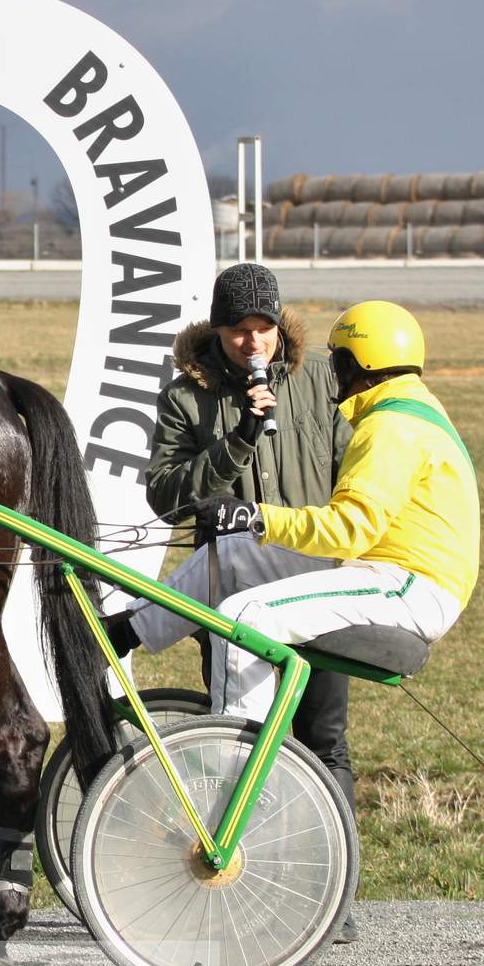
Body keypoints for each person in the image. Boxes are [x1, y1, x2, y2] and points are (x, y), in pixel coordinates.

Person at [113, 300, 479, 940]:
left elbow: (348, 524)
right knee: (231, 554)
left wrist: (258, 515)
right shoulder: (404, 410)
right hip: (378, 570)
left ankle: (235, 806)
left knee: (243, 612)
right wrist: (247, 527)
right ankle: (125, 635)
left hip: (404, 586)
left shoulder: (387, 428)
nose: (331, 374)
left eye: (338, 362)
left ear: (352, 363)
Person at [142, 262, 356, 901]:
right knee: (247, 739)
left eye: (264, 327)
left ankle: (326, 890)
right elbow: (164, 497)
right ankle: (249, 878)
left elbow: (354, 465)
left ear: (279, 327)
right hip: (231, 602)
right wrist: (234, 443)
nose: (252, 341)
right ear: (218, 328)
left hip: (316, 590)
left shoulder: (319, 380)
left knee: (324, 739)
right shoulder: (187, 397)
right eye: (239, 329)